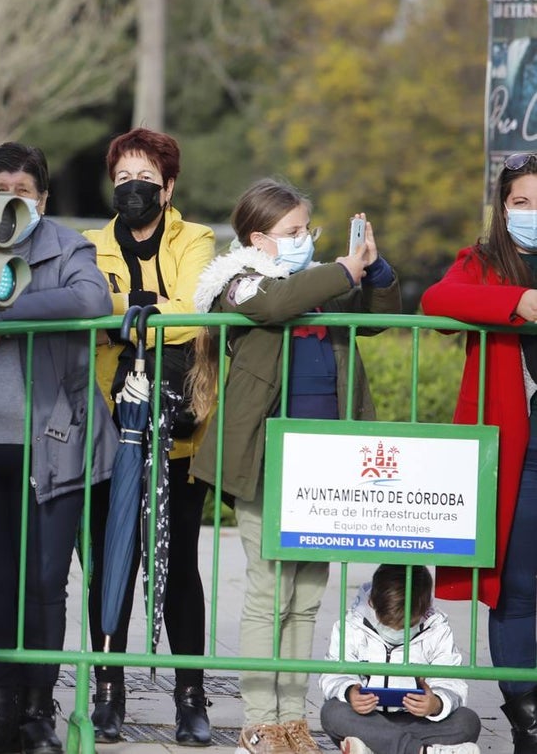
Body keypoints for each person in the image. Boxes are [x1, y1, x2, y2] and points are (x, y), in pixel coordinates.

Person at [187, 178, 402, 754]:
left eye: (308, 227)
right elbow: (275, 303)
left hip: (327, 461)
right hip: (265, 460)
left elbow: (380, 316)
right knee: (269, 592)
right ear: (259, 237)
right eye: (294, 231)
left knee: (307, 593)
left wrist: (374, 271)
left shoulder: (321, 285)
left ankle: (292, 719)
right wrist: (341, 269)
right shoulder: (236, 281)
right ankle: (259, 718)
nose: (306, 238)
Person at [0, 142, 117, 754]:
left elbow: (91, 300)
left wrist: (0, 316)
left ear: (43, 199)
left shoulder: (65, 246)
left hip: (48, 447)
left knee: (43, 585)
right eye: (0, 188)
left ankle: (37, 715)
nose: (12, 199)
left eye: (23, 191)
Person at [81, 127, 216, 744]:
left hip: (178, 428)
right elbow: (85, 308)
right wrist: (144, 310)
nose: (132, 188)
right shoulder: (88, 244)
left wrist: (129, 316)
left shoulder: (198, 239)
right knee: (112, 560)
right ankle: (107, 690)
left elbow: (192, 315)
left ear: (168, 188)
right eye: (122, 178)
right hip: (110, 427)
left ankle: (192, 697)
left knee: (180, 563)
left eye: (144, 179)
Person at [419, 151, 537, 753]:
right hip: (517, 449)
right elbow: (436, 303)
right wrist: (514, 303)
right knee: (516, 588)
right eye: (521, 201)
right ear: (502, 207)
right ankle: (527, 721)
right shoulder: (485, 262)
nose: (532, 212)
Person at [319, 564, 481, 754]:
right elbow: (333, 675)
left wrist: (436, 703)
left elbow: (452, 681)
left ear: (424, 609)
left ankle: (377, 747)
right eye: (387, 624)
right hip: (367, 719)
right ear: (372, 602)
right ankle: (421, 751)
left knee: (467, 721)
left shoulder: (437, 629)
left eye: (407, 625)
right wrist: (350, 693)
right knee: (333, 712)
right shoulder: (350, 625)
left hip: (416, 722)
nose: (396, 632)